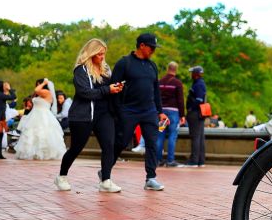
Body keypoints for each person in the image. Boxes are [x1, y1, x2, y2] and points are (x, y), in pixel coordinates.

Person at [55, 39, 124, 192]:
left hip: (104, 114)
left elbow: (108, 89)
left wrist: (117, 88)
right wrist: (108, 90)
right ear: (91, 53)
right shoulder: (80, 70)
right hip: (83, 115)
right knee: (76, 148)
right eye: (99, 54)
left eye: (103, 54)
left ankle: (106, 181)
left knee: (108, 146)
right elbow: (84, 93)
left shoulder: (106, 69)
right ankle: (61, 176)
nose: (102, 57)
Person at [110, 33, 168, 190]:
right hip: (128, 110)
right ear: (141, 45)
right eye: (151, 47)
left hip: (149, 111)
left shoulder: (152, 66)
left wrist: (160, 111)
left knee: (152, 143)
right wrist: (117, 111)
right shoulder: (124, 63)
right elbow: (113, 88)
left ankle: (151, 177)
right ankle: (105, 172)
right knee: (121, 142)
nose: (153, 51)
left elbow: (155, 90)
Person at [15, 78, 66, 161]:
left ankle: (44, 154)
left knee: (42, 134)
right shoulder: (40, 94)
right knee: (31, 134)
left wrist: (44, 83)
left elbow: (36, 89)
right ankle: (31, 153)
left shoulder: (46, 92)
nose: (38, 86)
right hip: (35, 114)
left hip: (43, 115)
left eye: (39, 84)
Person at [156, 61, 185, 168]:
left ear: (168, 69)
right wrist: (182, 115)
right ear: (175, 70)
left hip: (162, 112)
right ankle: (170, 160)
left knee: (160, 136)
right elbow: (180, 100)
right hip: (173, 112)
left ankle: (158, 160)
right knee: (172, 136)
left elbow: (156, 97)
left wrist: (158, 111)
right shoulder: (177, 83)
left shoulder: (160, 82)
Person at [185, 65, 207, 167]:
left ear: (196, 74)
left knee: (195, 137)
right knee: (200, 137)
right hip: (199, 113)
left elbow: (199, 100)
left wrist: (190, 108)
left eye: (192, 73)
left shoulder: (198, 84)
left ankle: (194, 160)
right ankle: (200, 160)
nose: (191, 74)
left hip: (195, 113)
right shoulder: (200, 83)